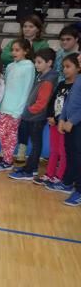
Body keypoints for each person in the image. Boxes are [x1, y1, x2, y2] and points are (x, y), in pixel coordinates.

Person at [9, 48, 58, 180]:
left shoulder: (48, 81)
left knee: (36, 144)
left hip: (36, 118)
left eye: (39, 62)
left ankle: (30, 170)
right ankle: (32, 168)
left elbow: (41, 103)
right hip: (33, 117)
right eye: (35, 62)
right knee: (35, 143)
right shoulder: (42, 76)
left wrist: (27, 111)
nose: (36, 65)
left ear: (49, 63)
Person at [0, 39, 36, 171]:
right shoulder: (10, 66)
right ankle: (6, 158)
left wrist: (19, 110)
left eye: (17, 50)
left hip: (15, 109)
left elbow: (27, 89)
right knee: (1, 132)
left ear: (26, 51)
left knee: (10, 134)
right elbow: (5, 88)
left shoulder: (29, 66)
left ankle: (8, 160)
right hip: (5, 107)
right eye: (12, 50)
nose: (13, 53)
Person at [35, 55, 79, 185]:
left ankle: (60, 176)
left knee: (62, 151)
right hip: (54, 123)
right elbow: (52, 101)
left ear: (78, 68)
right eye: (63, 67)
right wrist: (50, 116)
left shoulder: (76, 86)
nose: (65, 70)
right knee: (53, 150)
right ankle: (49, 173)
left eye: (68, 67)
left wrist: (59, 119)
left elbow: (69, 107)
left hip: (64, 124)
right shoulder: (61, 84)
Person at [47, 53, 81, 206]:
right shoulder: (78, 80)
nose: (79, 57)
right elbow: (67, 102)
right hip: (68, 124)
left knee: (78, 156)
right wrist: (62, 119)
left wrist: (72, 121)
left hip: (76, 124)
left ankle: (79, 191)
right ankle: (67, 182)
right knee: (71, 153)